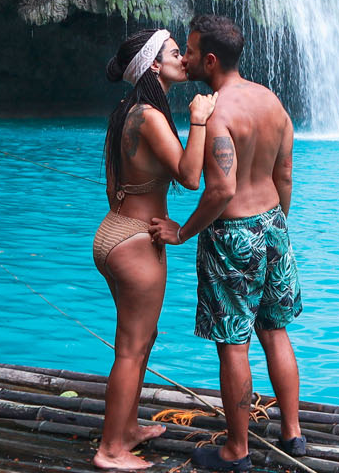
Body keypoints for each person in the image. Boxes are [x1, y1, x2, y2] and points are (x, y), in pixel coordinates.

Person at [149, 15, 305, 473]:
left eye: (191, 51)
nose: (186, 58)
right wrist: (276, 227)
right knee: (275, 330)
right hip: (275, 225)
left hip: (233, 236)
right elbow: (286, 175)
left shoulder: (217, 113)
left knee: (233, 344)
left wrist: (180, 232)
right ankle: (292, 432)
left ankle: (236, 451)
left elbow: (219, 190)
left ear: (211, 59)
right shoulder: (271, 101)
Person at [95, 28, 218, 470]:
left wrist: (131, 219)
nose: (182, 58)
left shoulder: (124, 112)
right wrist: (200, 118)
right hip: (135, 244)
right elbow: (189, 176)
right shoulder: (149, 115)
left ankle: (127, 429)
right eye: (172, 53)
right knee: (131, 348)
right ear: (152, 66)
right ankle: (111, 451)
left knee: (138, 340)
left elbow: (112, 189)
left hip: (113, 232)